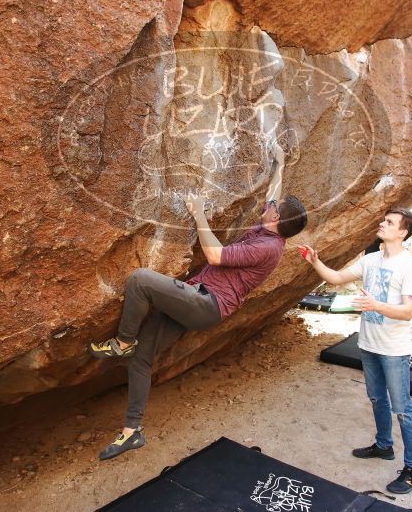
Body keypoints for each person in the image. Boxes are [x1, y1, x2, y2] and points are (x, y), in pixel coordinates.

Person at [87, 194, 308, 460]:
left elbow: (215, 255)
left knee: (140, 280)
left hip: (207, 304)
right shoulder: (268, 229)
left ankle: (123, 343)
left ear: (276, 218)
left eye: (273, 205)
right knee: (140, 359)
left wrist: (198, 212)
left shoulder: (268, 247)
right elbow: (276, 195)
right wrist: (280, 162)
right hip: (196, 297)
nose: (268, 203)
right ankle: (132, 431)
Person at [299, 208, 412, 494]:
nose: (383, 223)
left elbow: (408, 312)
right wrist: (315, 261)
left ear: (403, 232)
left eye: (390, 222)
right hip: (368, 345)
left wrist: (376, 306)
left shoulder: (411, 265)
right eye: (384, 220)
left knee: (402, 409)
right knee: (377, 399)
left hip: (394, 350)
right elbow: (335, 278)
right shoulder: (370, 260)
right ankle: (383, 446)